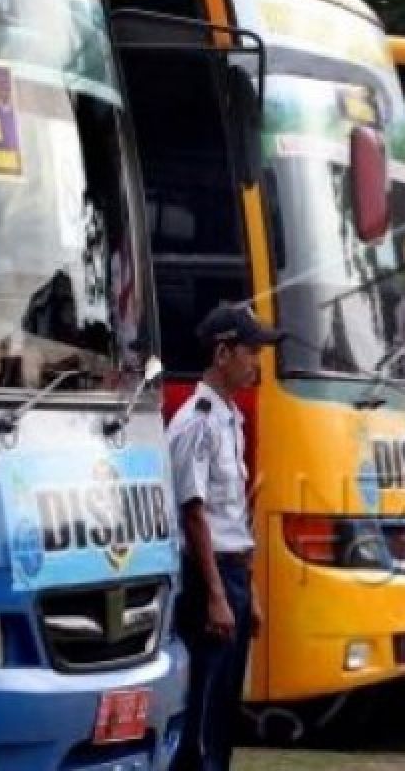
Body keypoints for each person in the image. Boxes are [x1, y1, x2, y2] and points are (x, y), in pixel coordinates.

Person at [168, 304, 281, 771]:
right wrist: (216, 594)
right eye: (251, 351)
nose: (257, 362)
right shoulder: (196, 420)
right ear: (222, 353)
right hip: (206, 574)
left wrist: (246, 589)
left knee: (223, 710)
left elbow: (230, 515)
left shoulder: (228, 419)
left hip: (230, 572)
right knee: (202, 705)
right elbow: (193, 514)